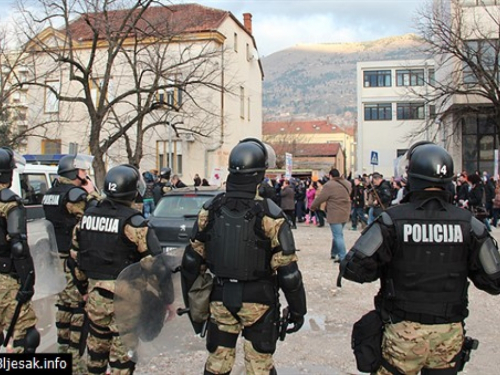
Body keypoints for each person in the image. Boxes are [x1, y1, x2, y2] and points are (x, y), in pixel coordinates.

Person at [339, 142, 500, 375]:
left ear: (411, 179)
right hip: (449, 335)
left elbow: (353, 269)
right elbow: (494, 280)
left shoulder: (392, 221)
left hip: (403, 333)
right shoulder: (470, 224)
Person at [181, 138, 307, 375]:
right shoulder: (271, 214)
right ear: (260, 173)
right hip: (259, 301)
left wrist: (193, 307)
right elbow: (288, 273)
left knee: (217, 364)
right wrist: (299, 309)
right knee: (259, 366)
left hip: (220, 298)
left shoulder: (210, 209)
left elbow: (191, 262)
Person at [71, 164, 168, 374]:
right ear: (132, 191)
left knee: (96, 352)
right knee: (122, 358)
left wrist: (82, 291)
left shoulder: (87, 218)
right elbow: (156, 266)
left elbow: (76, 258)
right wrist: (166, 300)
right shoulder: (135, 223)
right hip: (127, 299)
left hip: (95, 297)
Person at [42, 153, 99, 373]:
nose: (85, 174)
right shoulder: (75, 194)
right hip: (72, 260)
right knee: (77, 309)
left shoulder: (51, 193)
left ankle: (62, 352)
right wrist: (92, 192)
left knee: (63, 307)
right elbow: (94, 214)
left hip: (55, 257)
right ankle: (75, 362)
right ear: (74, 173)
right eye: (83, 171)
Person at [0, 148, 39, 353]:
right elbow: (17, 246)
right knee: (25, 336)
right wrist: (28, 279)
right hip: (5, 278)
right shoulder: (9, 203)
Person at [310, 168, 351, 262]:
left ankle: (343, 257)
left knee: (338, 236)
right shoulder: (347, 183)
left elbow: (321, 197)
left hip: (335, 213)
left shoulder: (329, 185)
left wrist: (313, 206)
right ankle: (333, 253)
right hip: (345, 212)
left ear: (330, 175)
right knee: (337, 234)